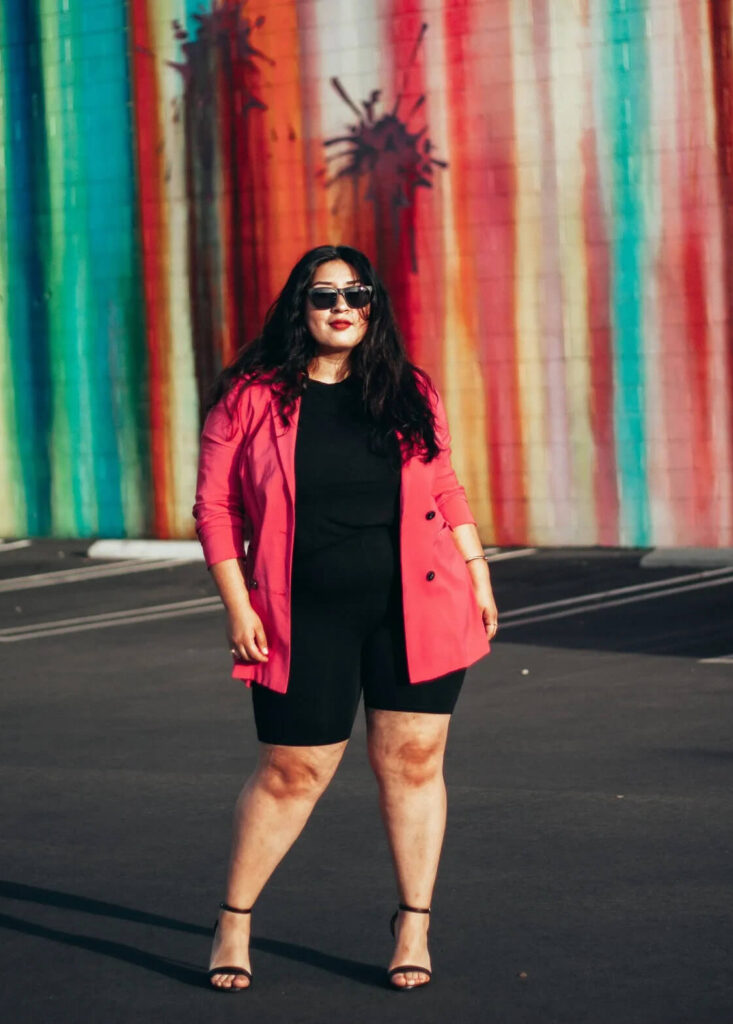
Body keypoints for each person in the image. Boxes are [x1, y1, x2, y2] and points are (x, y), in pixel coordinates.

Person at [193, 244, 498, 992]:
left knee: (415, 762)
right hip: (301, 614)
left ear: (373, 308)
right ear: (300, 306)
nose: (341, 306)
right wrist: (238, 604)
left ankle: (413, 922)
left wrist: (479, 571)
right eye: (323, 294)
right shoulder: (252, 395)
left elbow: (447, 485)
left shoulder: (408, 390)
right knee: (293, 770)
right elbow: (215, 506)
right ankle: (234, 918)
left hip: (418, 607)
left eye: (356, 294)